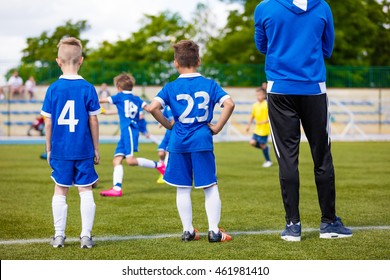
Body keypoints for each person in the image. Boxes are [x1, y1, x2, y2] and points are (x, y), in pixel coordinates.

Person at [254, 0, 352, 241]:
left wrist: (284, 49)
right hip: (314, 89)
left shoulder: (264, 7)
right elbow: (327, 49)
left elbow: (262, 46)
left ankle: (292, 225)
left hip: (279, 90)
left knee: (287, 157)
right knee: (322, 154)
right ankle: (328, 223)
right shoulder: (323, 7)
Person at [149, 40, 235, 243]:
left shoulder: (170, 87)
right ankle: (214, 231)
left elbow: (153, 107)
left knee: (182, 187)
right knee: (210, 186)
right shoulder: (210, 84)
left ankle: (188, 231)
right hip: (202, 140)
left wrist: (169, 125)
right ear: (199, 61)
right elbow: (229, 104)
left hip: (178, 142)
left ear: (175, 63)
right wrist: (217, 127)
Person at [41, 37, 100, 248]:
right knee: (86, 190)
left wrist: (48, 148)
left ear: (58, 61)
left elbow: (48, 123)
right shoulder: (88, 88)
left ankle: (59, 236)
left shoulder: (53, 89)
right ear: (81, 60)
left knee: (60, 190)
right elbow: (93, 119)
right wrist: (96, 148)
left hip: (60, 149)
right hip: (83, 149)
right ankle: (86, 236)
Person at [99, 73, 166, 197]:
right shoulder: (137, 99)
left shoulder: (118, 97)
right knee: (116, 160)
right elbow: (150, 108)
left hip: (129, 130)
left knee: (130, 161)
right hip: (128, 132)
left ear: (118, 87)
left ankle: (160, 165)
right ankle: (117, 188)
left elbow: (101, 100)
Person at [245, 87, 272, 168]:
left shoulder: (267, 104)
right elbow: (252, 116)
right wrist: (248, 125)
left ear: (264, 95)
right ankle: (266, 148)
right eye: (257, 95)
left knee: (262, 144)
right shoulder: (255, 105)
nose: (258, 96)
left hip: (264, 129)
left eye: (260, 94)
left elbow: (271, 117)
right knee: (252, 142)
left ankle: (268, 161)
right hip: (257, 129)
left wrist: (263, 122)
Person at [156, 105, 173, 184]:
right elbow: (164, 116)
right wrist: (160, 123)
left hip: (174, 134)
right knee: (160, 153)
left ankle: (163, 174)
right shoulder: (167, 107)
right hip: (167, 134)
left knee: (167, 153)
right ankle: (162, 166)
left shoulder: (178, 104)